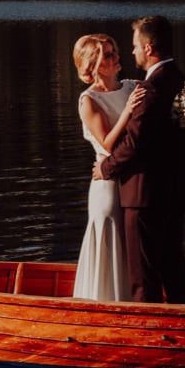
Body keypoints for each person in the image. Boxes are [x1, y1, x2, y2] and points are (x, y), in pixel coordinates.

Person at [94, 14, 185, 303]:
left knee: (143, 276)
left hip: (145, 194)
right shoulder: (179, 78)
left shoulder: (150, 89)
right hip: (175, 190)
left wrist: (105, 168)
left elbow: (135, 145)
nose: (133, 51)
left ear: (149, 48)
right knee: (173, 267)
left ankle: (150, 335)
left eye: (136, 45)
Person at [70, 33, 147, 301]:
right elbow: (108, 144)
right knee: (111, 240)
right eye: (108, 54)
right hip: (107, 186)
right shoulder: (89, 100)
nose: (117, 57)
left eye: (114, 51)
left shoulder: (132, 87)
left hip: (133, 181)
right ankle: (105, 303)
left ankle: (135, 300)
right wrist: (127, 111)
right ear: (92, 66)